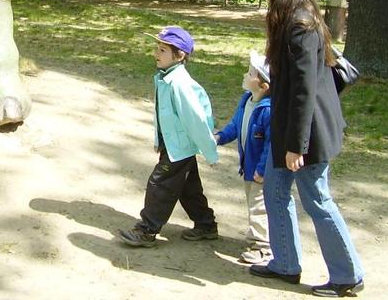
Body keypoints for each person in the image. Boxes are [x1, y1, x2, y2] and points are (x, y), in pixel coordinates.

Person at [250, 0, 364, 298]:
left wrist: (295, 147)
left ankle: (347, 276)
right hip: (288, 128)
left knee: (317, 199)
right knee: (274, 191)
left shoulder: (301, 25)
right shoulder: (288, 18)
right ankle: (285, 263)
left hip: (307, 135)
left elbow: (304, 92)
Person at [117, 25, 219, 248]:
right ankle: (206, 224)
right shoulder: (166, 78)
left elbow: (196, 121)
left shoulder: (180, 84)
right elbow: (163, 116)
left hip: (179, 147)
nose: (156, 53)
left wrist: (210, 152)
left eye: (162, 50)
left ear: (179, 56)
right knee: (188, 187)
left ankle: (146, 230)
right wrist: (159, 141)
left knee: (159, 184)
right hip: (173, 146)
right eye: (157, 48)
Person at [215, 50, 273, 264]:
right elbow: (236, 124)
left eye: (250, 74)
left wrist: (262, 170)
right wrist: (220, 137)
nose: (244, 75)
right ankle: (257, 241)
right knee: (252, 203)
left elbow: (270, 144)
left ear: (263, 86)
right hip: (248, 167)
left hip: (259, 171)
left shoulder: (268, 110)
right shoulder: (246, 100)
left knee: (259, 207)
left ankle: (262, 248)